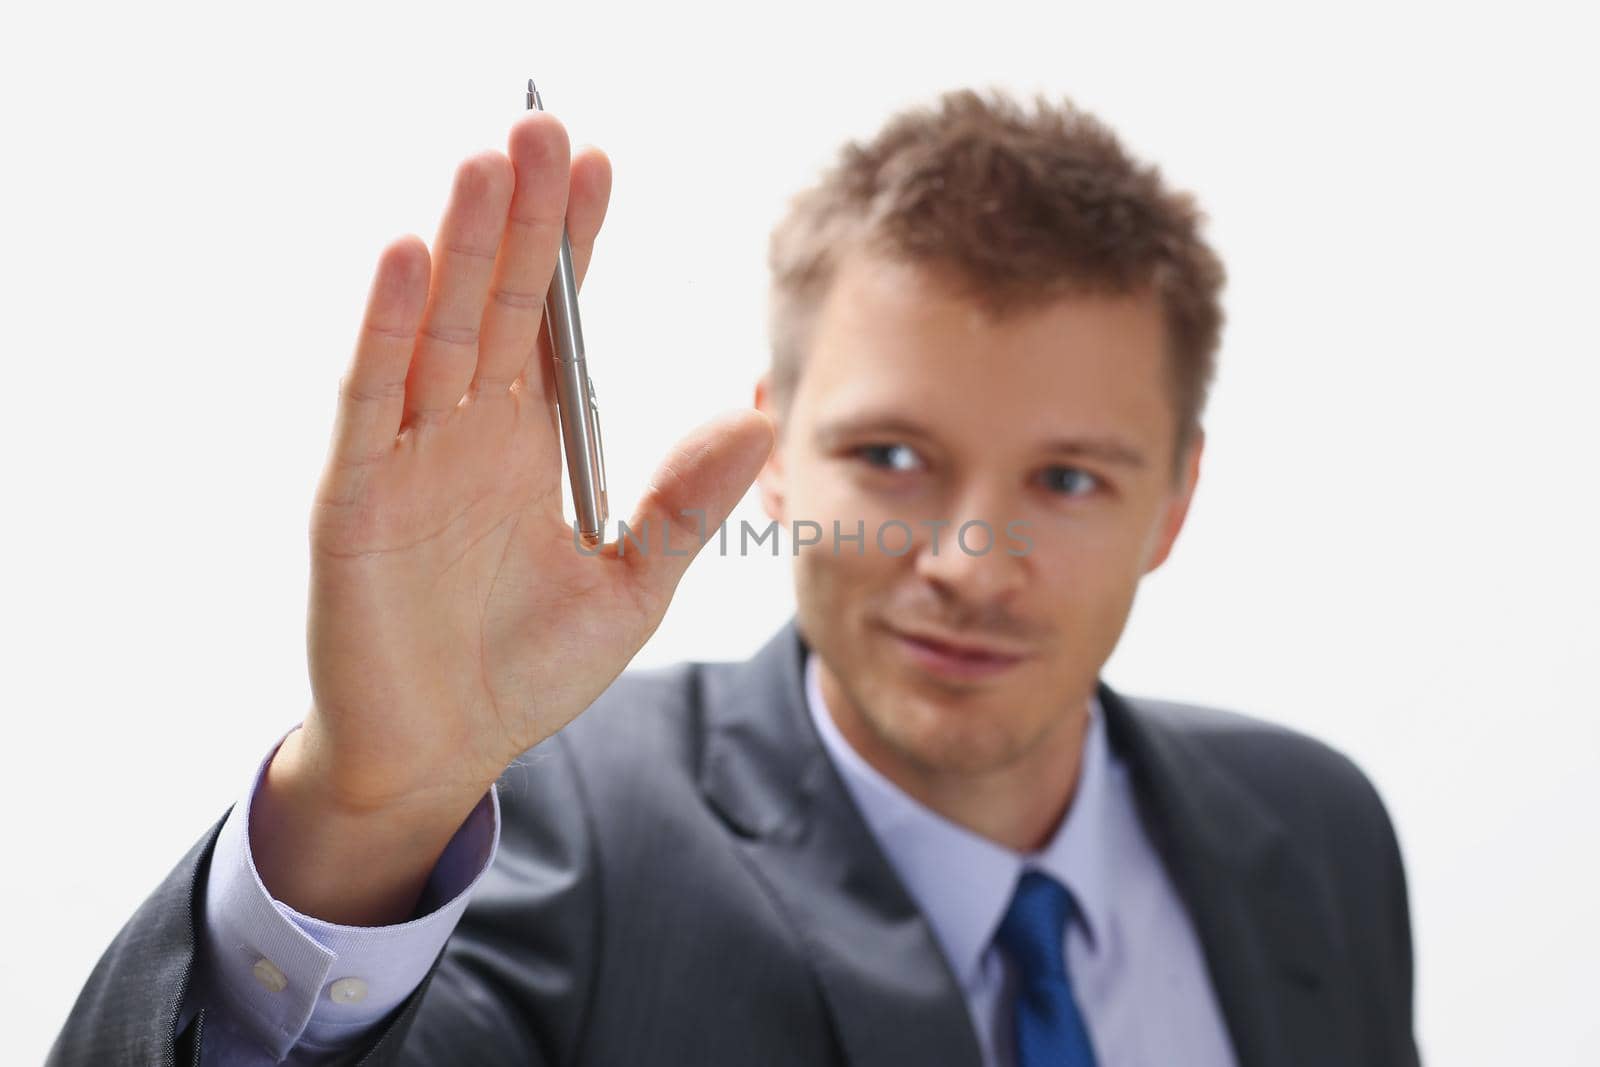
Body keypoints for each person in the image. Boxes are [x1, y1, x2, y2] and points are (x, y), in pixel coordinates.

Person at [49, 87, 1421, 1066]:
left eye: (1068, 480)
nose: (963, 561)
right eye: (890, 454)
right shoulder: (561, 831)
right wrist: (367, 804)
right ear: (774, 451)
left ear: (1175, 497)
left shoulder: (1316, 829)